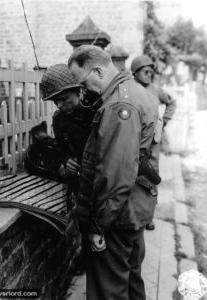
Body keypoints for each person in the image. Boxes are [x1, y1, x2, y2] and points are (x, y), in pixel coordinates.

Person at [68, 45, 158, 300]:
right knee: (130, 282)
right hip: (133, 207)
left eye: (84, 82)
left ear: (97, 70)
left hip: (118, 216)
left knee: (108, 290)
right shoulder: (135, 92)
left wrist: (99, 226)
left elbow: (115, 174)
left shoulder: (118, 105)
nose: (84, 90)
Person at [131, 55, 176, 230]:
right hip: (135, 138)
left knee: (151, 176)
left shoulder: (156, 89)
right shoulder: (130, 89)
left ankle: (149, 216)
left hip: (153, 142)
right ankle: (135, 212)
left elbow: (172, 103)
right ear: (135, 73)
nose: (149, 75)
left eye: (151, 72)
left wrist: (164, 121)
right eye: (145, 72)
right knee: (133, 175)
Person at [41, 63, 95, 195]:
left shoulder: (95, 112)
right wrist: (66, 161)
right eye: (55, 102)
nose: (59, 105)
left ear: (79, 91)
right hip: (78, 183)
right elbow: (60, 148)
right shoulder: (59, 119)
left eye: (64, 99)